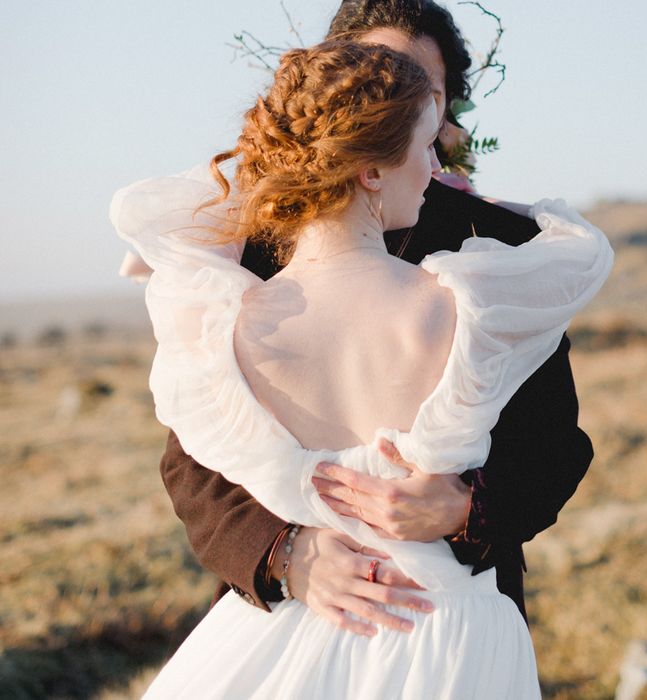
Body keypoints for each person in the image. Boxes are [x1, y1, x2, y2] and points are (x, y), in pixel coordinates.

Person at [113, 36, 612, 697]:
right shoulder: (471, 304)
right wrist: (285, 556)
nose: (434, 167)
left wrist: (469, 507)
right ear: (370, 168)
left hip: (271, 651)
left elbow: (551, 445)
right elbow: (192, 476)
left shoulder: (222, 321)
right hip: (440, 635)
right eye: (422, 143)